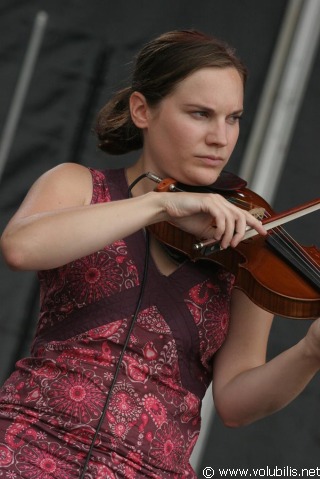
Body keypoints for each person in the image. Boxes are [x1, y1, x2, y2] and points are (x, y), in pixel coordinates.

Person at [0, 29, 319, 479]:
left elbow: (235, 402)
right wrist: (158, 204)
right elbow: (21, 246)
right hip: (27, 448)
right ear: (142, 109)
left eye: (233, 118)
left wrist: (310, 351)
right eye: (200, 114)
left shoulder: (248, 241)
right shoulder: (77, 185)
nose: (220, 137)